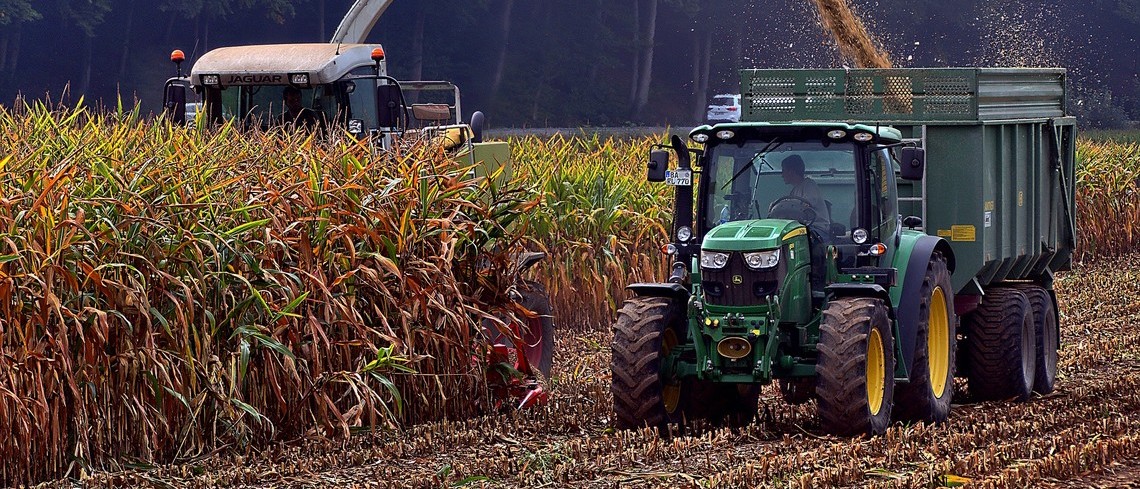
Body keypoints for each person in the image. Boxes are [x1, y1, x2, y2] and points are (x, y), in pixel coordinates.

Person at [778, 155, 831, 229]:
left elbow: (804, 207)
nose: (782, 175)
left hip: (817, 229)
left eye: (783, 171)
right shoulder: (794, 190)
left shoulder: (809, 185)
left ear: (791, 171)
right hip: (803, 228)